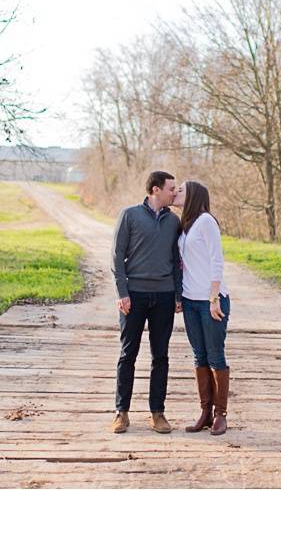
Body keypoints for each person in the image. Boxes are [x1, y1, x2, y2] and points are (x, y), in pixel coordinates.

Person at [110, 170, 183, 434]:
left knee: (160, 355)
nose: (174, 193)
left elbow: (177, 260)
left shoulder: (174, 222)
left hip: (163, 296)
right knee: (128, 354)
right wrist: (122, 293)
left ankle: (158, 413)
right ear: (155, 189)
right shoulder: (129, 215)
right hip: (135, 295)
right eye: (171, 188)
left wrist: (177, 294)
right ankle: (121, 412)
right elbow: (117, 256)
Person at [172, 180, 231, 436]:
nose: (176, 193)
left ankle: (220, 415)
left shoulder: (206, 221)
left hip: (210, 301)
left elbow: (217, 260)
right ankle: (205, 412)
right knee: (200, 356)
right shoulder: (185, 226)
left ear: (193, 195)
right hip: (190, 300)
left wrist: (214, 297)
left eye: (181, 190)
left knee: (215, 355)